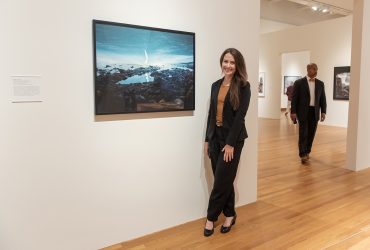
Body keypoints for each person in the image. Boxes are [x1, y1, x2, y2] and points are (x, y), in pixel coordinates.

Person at [203, 48, 251, 237]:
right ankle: (230, 214)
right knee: (223, 179)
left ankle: (211, 218)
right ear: (221, 62)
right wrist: (207, 139)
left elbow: (240, 117)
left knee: (221, 180)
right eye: (225, 61)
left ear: (237, 65)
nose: (228, 66)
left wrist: (230, 144)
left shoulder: (244, 86)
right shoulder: (215, 85)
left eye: (232, 62)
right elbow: (211, 115)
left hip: (233, 140)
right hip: (215, 138)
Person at [290, 63, 327, 163]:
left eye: (315, 68)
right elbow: (294, 99)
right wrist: (293, 111)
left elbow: (323, 99)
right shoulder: (299, 83)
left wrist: (323, 112)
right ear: (308, 69)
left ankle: (307, 151)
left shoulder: (320, 83)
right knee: (303, 133)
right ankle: (302, 154)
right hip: (302, 111)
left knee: (311, 133)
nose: (315, 70)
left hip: (314, 112)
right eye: (313, 68)